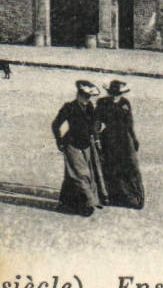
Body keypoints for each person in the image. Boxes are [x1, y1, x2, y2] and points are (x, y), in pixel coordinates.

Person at [51, 80, 107, 216]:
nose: (87, 99)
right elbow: (55, 124)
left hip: (87, 144)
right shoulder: (69, 107)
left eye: (89, 97)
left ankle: (67, 203)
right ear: (79, 94)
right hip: (71, 144)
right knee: (81, 174)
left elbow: (95, 124)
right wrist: (59, 141)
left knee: (75, 174)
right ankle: (88, 203)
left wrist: (97, 137)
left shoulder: (90, 107)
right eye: (85, 96)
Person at [97, 80, 144, 209]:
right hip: (109, 138)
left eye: (118, 93)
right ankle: (113, 196)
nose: (116, 96)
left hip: (124, 138)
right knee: (111, 167)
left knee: (129, 166)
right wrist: (96, 138)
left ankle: (134, 198)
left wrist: (134, 139)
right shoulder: (102, 103)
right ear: (109, 92)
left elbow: (130, 123)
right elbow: (97, 122)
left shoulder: (125, 103)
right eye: (114, 93)